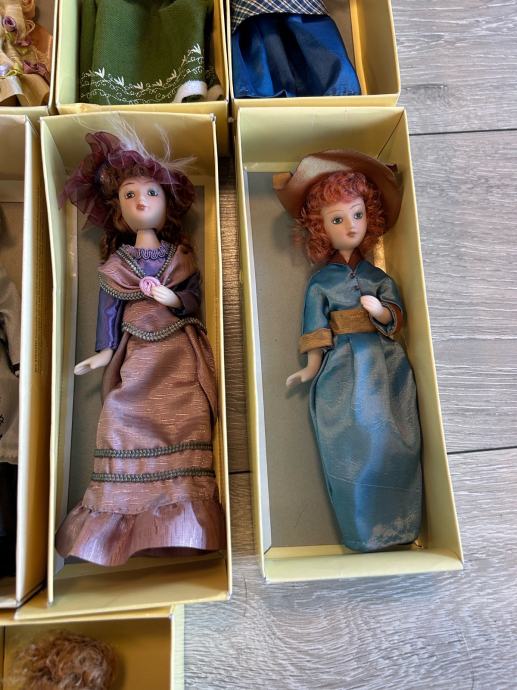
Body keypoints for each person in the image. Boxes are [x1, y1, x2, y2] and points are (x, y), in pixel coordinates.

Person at [55, 126, 225, 566]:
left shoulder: (180, 257)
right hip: (137, 358)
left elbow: (194, 298)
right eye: (129, 195)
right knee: (119, 416)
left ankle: (184, 521)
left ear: (167, 203)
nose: (141, 201)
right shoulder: (117, 265)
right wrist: (103, 352)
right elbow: (109, 314)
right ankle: (122, 513)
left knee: (187, 419)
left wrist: (174, 300)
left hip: (179, 353)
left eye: (151, 192)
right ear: (119, 211)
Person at [274, 150, 422, 552]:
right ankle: (361, 530)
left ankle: (401, 524)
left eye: (357, 215)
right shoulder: (321, 282)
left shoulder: (379, 277)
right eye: (337, 219)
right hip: (340, 367)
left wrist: (381, 312)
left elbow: (396, 317)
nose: (350, 225)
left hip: (387, 365)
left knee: (395, 439)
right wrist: (310, 367)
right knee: (349, 442)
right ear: (321, 228)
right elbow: (315, 327)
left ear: (369, 217)